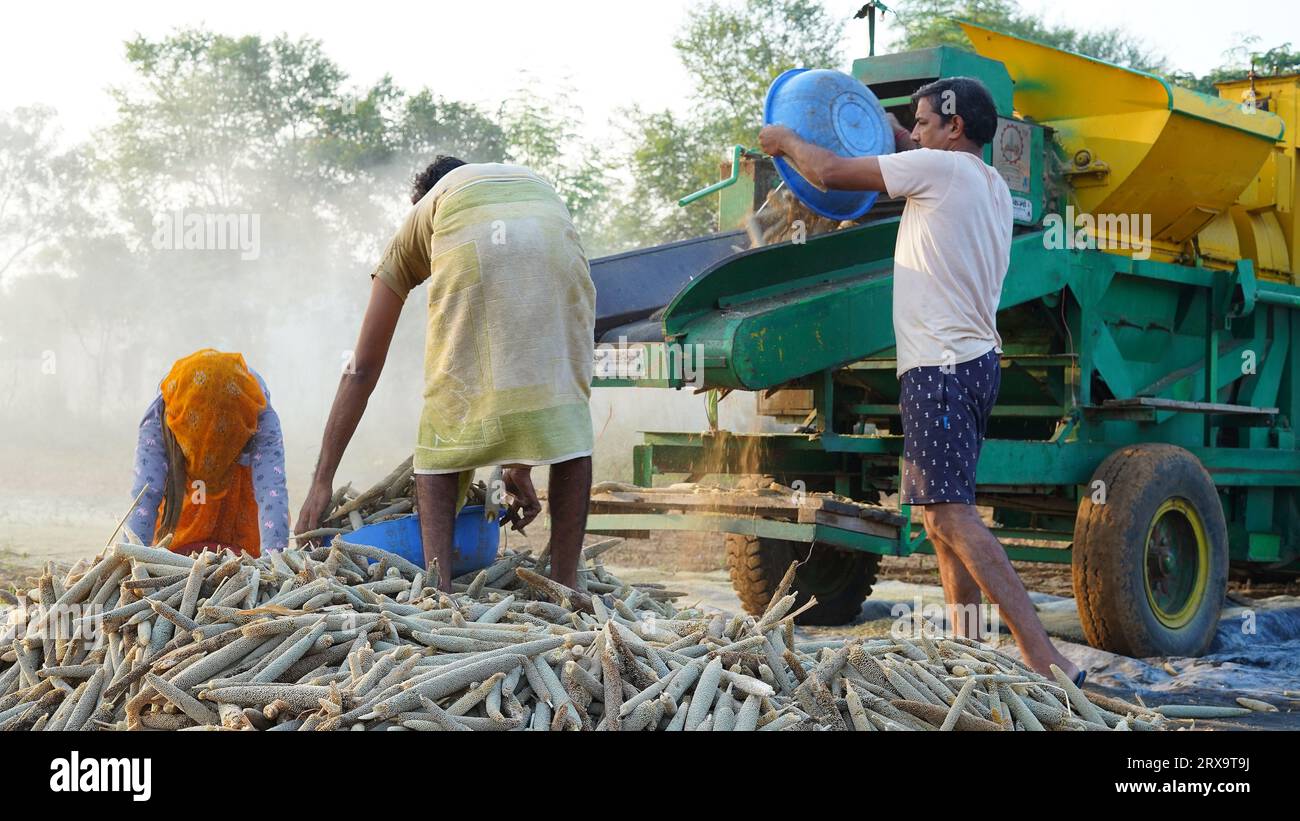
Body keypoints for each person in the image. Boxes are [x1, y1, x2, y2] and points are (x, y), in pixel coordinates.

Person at [759, 77, 1084, 684]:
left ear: (954, 129)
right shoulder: (986, 182)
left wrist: (782, 140)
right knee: (937, 516)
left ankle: (1043, 654)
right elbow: (916, 142)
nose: (917, 132)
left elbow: (827, 172)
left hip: (941, 366)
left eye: (926, 122)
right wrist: (894, 127)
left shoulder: (937, 170)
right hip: (969, 361)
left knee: (953, 514)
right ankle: (968, 648)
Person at [294, 157, 596, 593]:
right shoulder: (512, 185)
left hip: (539, 224)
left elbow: (361, 368)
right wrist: (519, 465)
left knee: (448, 406)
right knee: (564, 406)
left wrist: (321, 481)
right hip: (557, 235)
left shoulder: (422, 218)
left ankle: (440, 588)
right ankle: (567, 585)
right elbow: (517, 361)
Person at [130, 349, 289, 556]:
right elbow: (146, 493)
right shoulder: (163, 414)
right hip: (186, 492)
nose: (209, 455)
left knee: (244, 563)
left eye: (222, 434)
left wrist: (274, 562)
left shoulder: (256, 410)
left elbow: (271, 489)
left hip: (237, 496)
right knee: (171, 555)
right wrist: (132, 560)